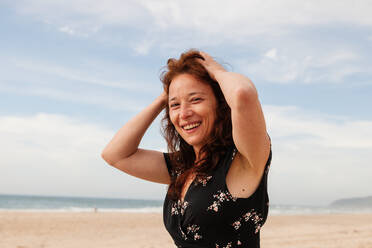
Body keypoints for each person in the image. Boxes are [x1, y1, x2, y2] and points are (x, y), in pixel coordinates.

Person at [101, 49, 272, 248]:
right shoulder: (182, 167)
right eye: (175, 105)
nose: (184, 114)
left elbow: (243, 93)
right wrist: (164, 98)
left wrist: (215, 70)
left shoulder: (244, 158)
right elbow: (115, 154)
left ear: (221, 104)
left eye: (196, 99)